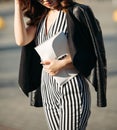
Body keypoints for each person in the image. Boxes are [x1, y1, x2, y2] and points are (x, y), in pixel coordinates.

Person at [14, 0, 107, 130]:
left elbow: (93, 49)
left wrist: (63, 62)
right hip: (48, 91)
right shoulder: (41, 17)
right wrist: (17, 4)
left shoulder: (77, 11)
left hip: (72, 88)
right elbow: (21, 40)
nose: (45, 0)